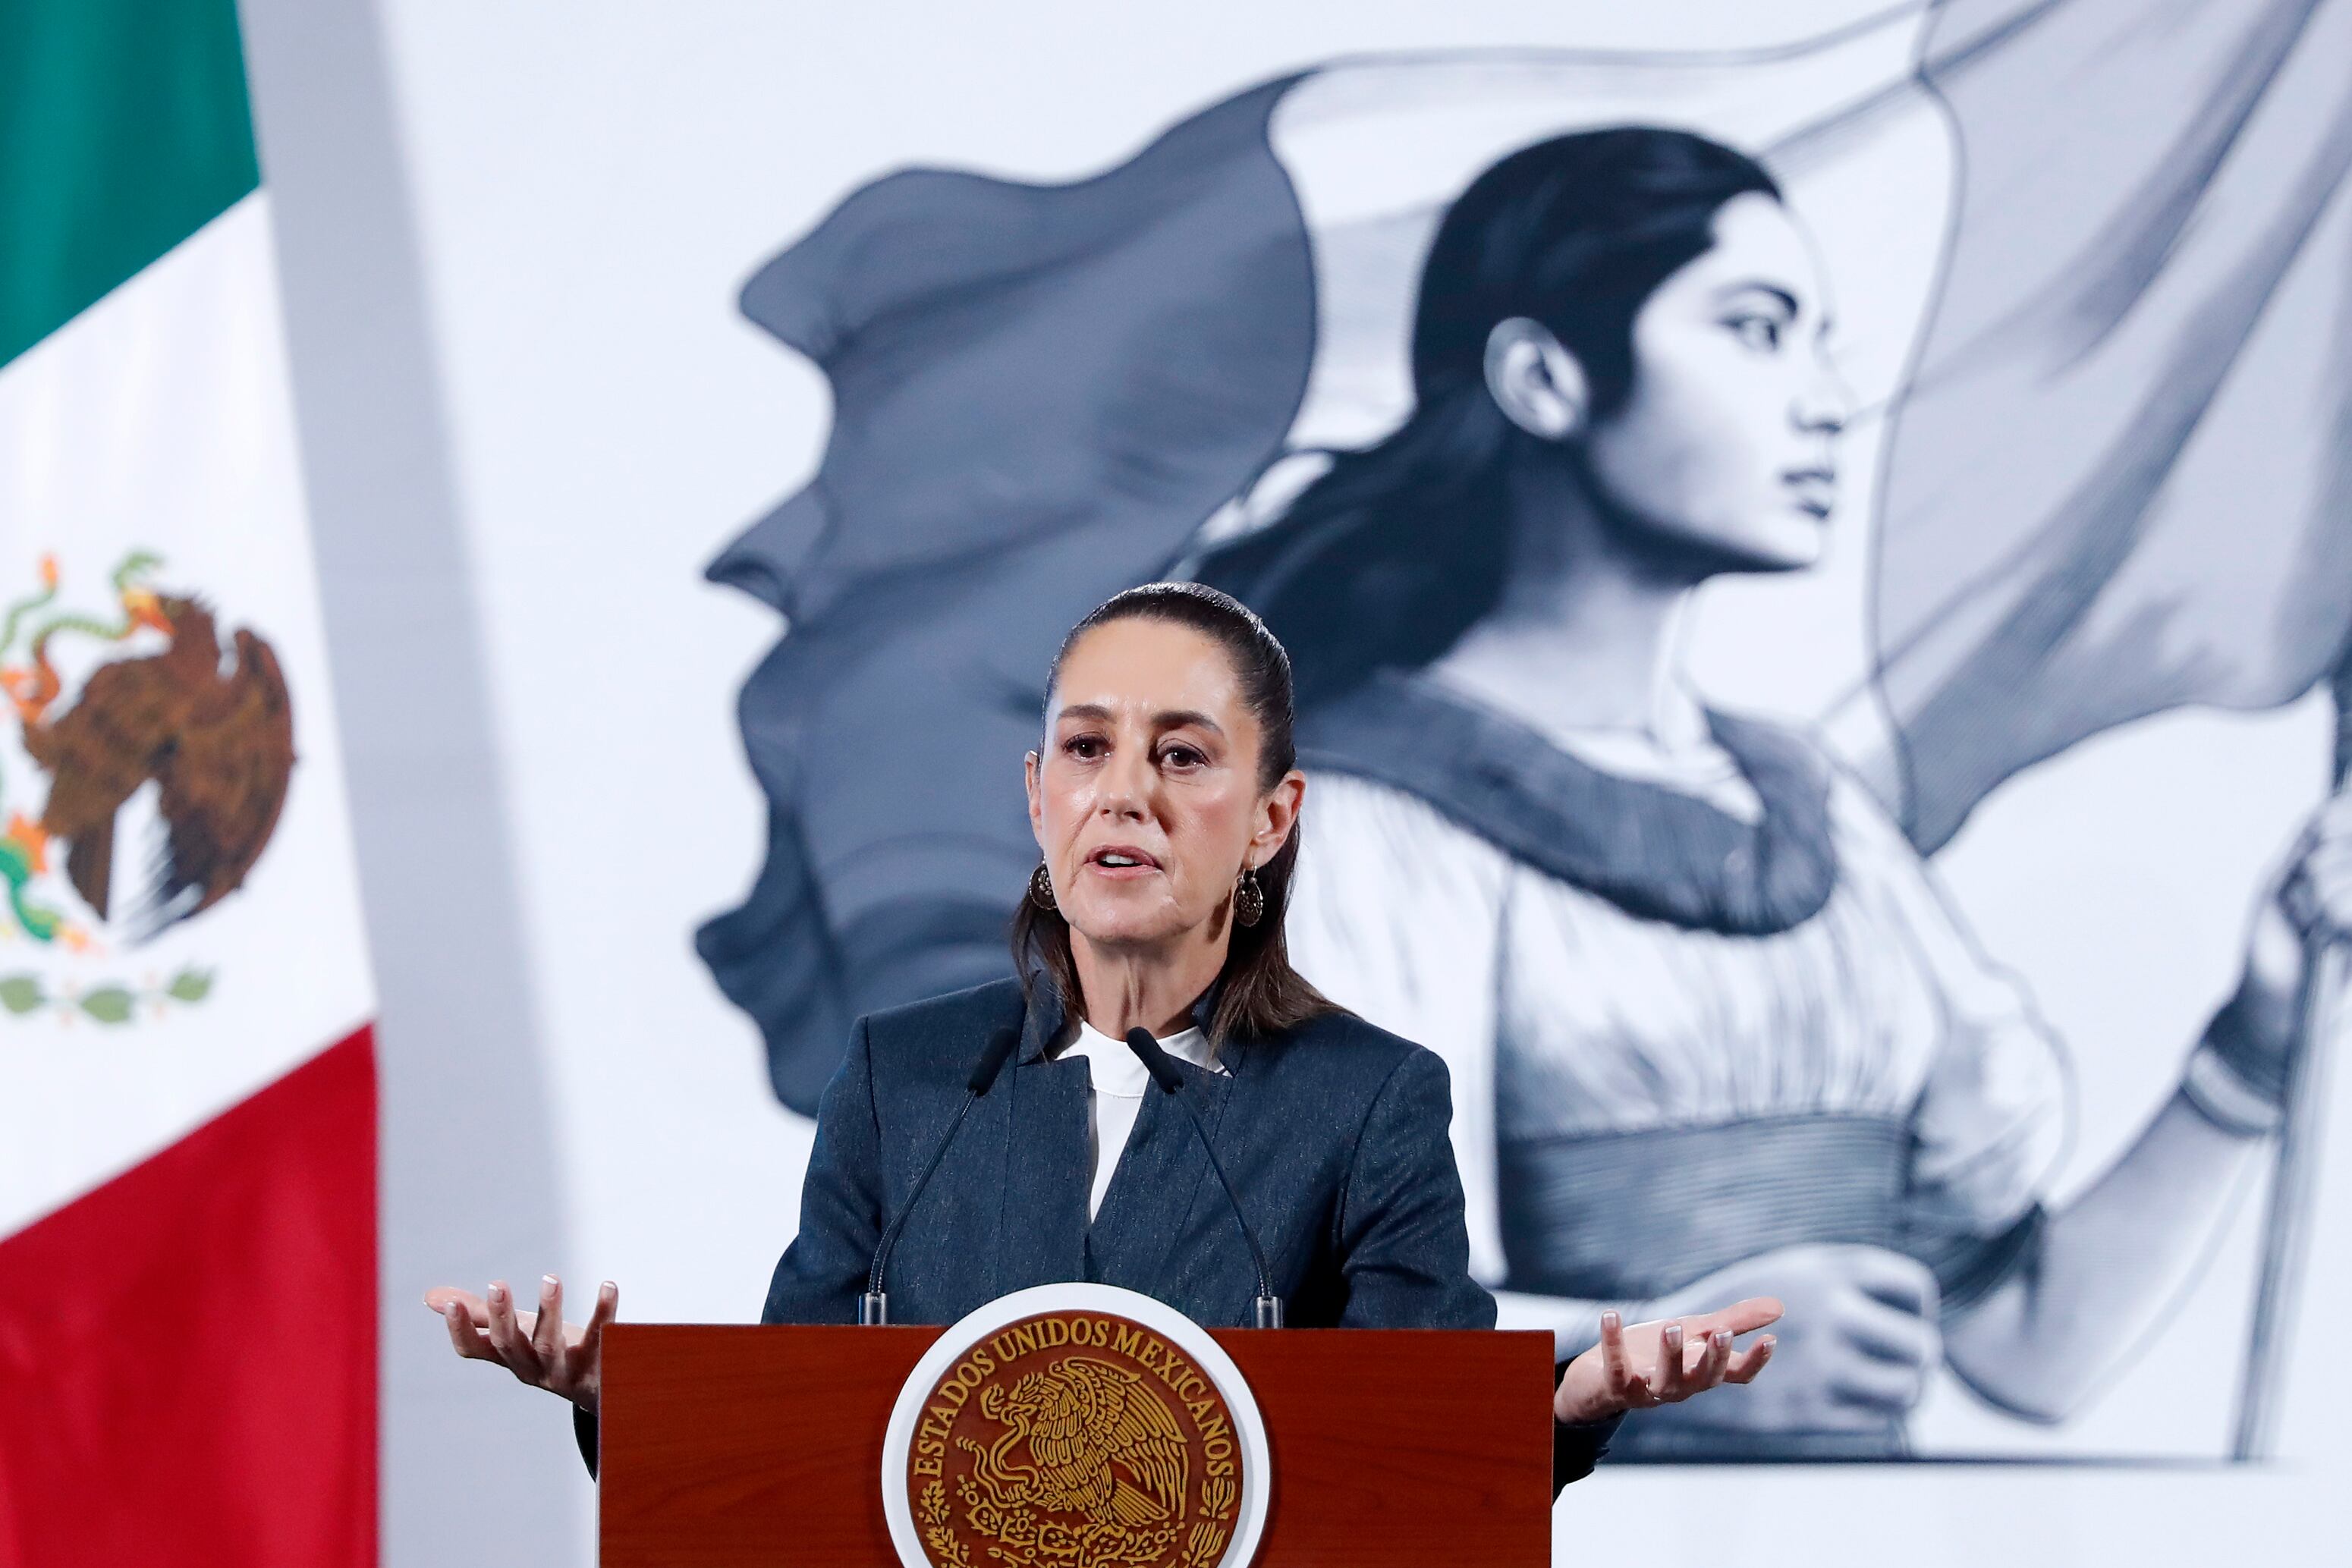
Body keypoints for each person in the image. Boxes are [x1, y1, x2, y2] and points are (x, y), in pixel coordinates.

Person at [1196, 126, 2352, 1459]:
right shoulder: (1368, 827)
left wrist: (2256, 1044)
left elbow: (2031, 1347)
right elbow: (1318, 1368)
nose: (1824, 399)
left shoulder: (1822, 825)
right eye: (1757, 329)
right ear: (1544, 376)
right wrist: (1658, 1360)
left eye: (1820, 340)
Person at [426, 582, 1783, 1486]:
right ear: (1035, 797)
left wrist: (1568, 1408)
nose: (1122, 793)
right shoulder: (903, 1080)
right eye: (1086, 749)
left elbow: (1407, 1459)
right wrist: (615, 1397)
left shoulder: (1371, 1099)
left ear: (1270, 817)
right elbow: (807, 1443)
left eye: (1183, 756)